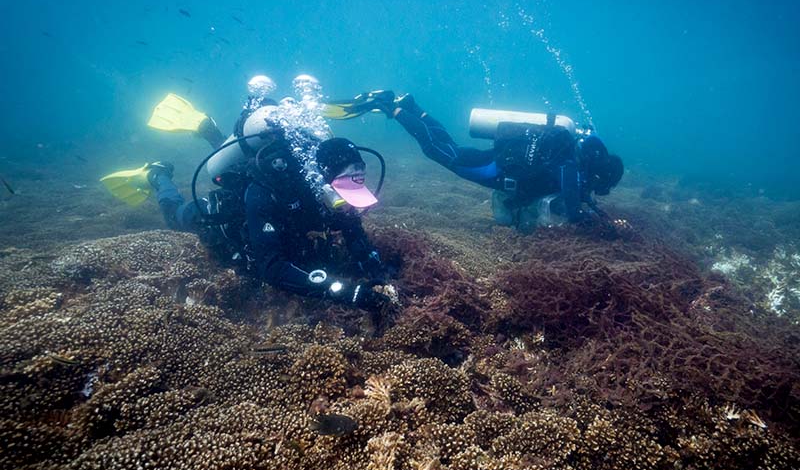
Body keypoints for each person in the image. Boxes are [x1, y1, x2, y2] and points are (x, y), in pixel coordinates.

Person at [107, 77, 391, 312]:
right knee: (176, 217)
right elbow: (272, 268)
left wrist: (377, 273)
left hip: (282, 207)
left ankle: (209, 131)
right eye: (343, 196)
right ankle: (156, 175)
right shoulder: (267, 189)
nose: (347, 206)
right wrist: (346, 293)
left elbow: (353, 232)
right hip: (230, 215)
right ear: (323, 184)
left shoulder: (329, 195)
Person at [360, 91, 624, 233]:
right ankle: (391, 107)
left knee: (451, 149)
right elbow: (574, 212)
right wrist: (603, 229)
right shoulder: (571, 168)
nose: (603, 189)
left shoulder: (573, 160)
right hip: (496, 170)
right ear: (599, 174)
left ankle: (412, 107)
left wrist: (595, 210)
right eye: (605, 184)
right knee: (439, 151)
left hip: (504, 162)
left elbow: (577, 197)